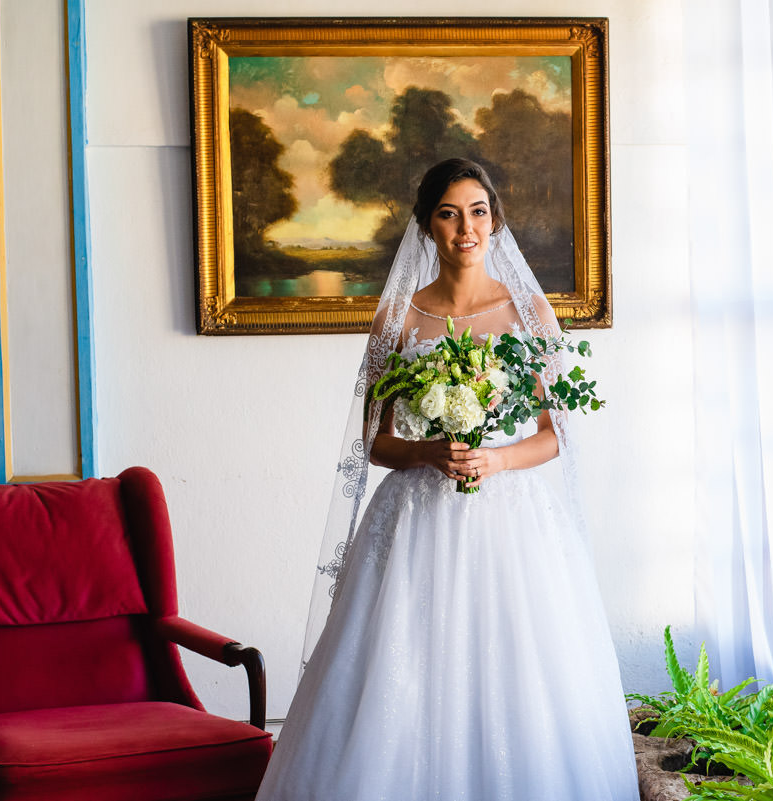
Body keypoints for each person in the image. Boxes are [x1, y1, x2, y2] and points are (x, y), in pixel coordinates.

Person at [256, 159, 639, 801]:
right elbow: (374, 443)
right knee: (399, 673)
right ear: (427, 226)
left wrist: (496, 459)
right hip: (415, 523)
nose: (467, 227)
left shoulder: (529, 313)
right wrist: (430, 451)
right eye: (449, 213)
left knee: (521, 674)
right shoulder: (399, 321)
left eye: (478, 211)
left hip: (512, 523)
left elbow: (556, 435)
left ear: (495, 221)